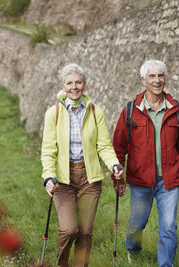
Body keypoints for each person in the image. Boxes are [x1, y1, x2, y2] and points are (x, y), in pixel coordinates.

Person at [41, 63, 124, 267]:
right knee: (69, 229)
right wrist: (48, 177)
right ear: (63, 86)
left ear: (85, 85)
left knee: (85, 231)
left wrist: (114, 164)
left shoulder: (96, 112)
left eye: (78, 82)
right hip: (63, 179)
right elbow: (48, 150)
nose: (74, 87)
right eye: (70, 83)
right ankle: (62, 264)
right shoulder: (55, 113)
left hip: (89, 178)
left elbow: (104, 145)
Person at [112, 60, 179, 267]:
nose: (157, 81)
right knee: (137, 223)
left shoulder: (177, 110)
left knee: (168, 226)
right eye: (152, 77)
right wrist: (117, 177)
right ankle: (133, 250)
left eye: (161, 76)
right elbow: (118, 146)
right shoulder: (131, 110)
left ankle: (165, 264)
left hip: (169, 179)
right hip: (140, 179)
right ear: (143, 80)